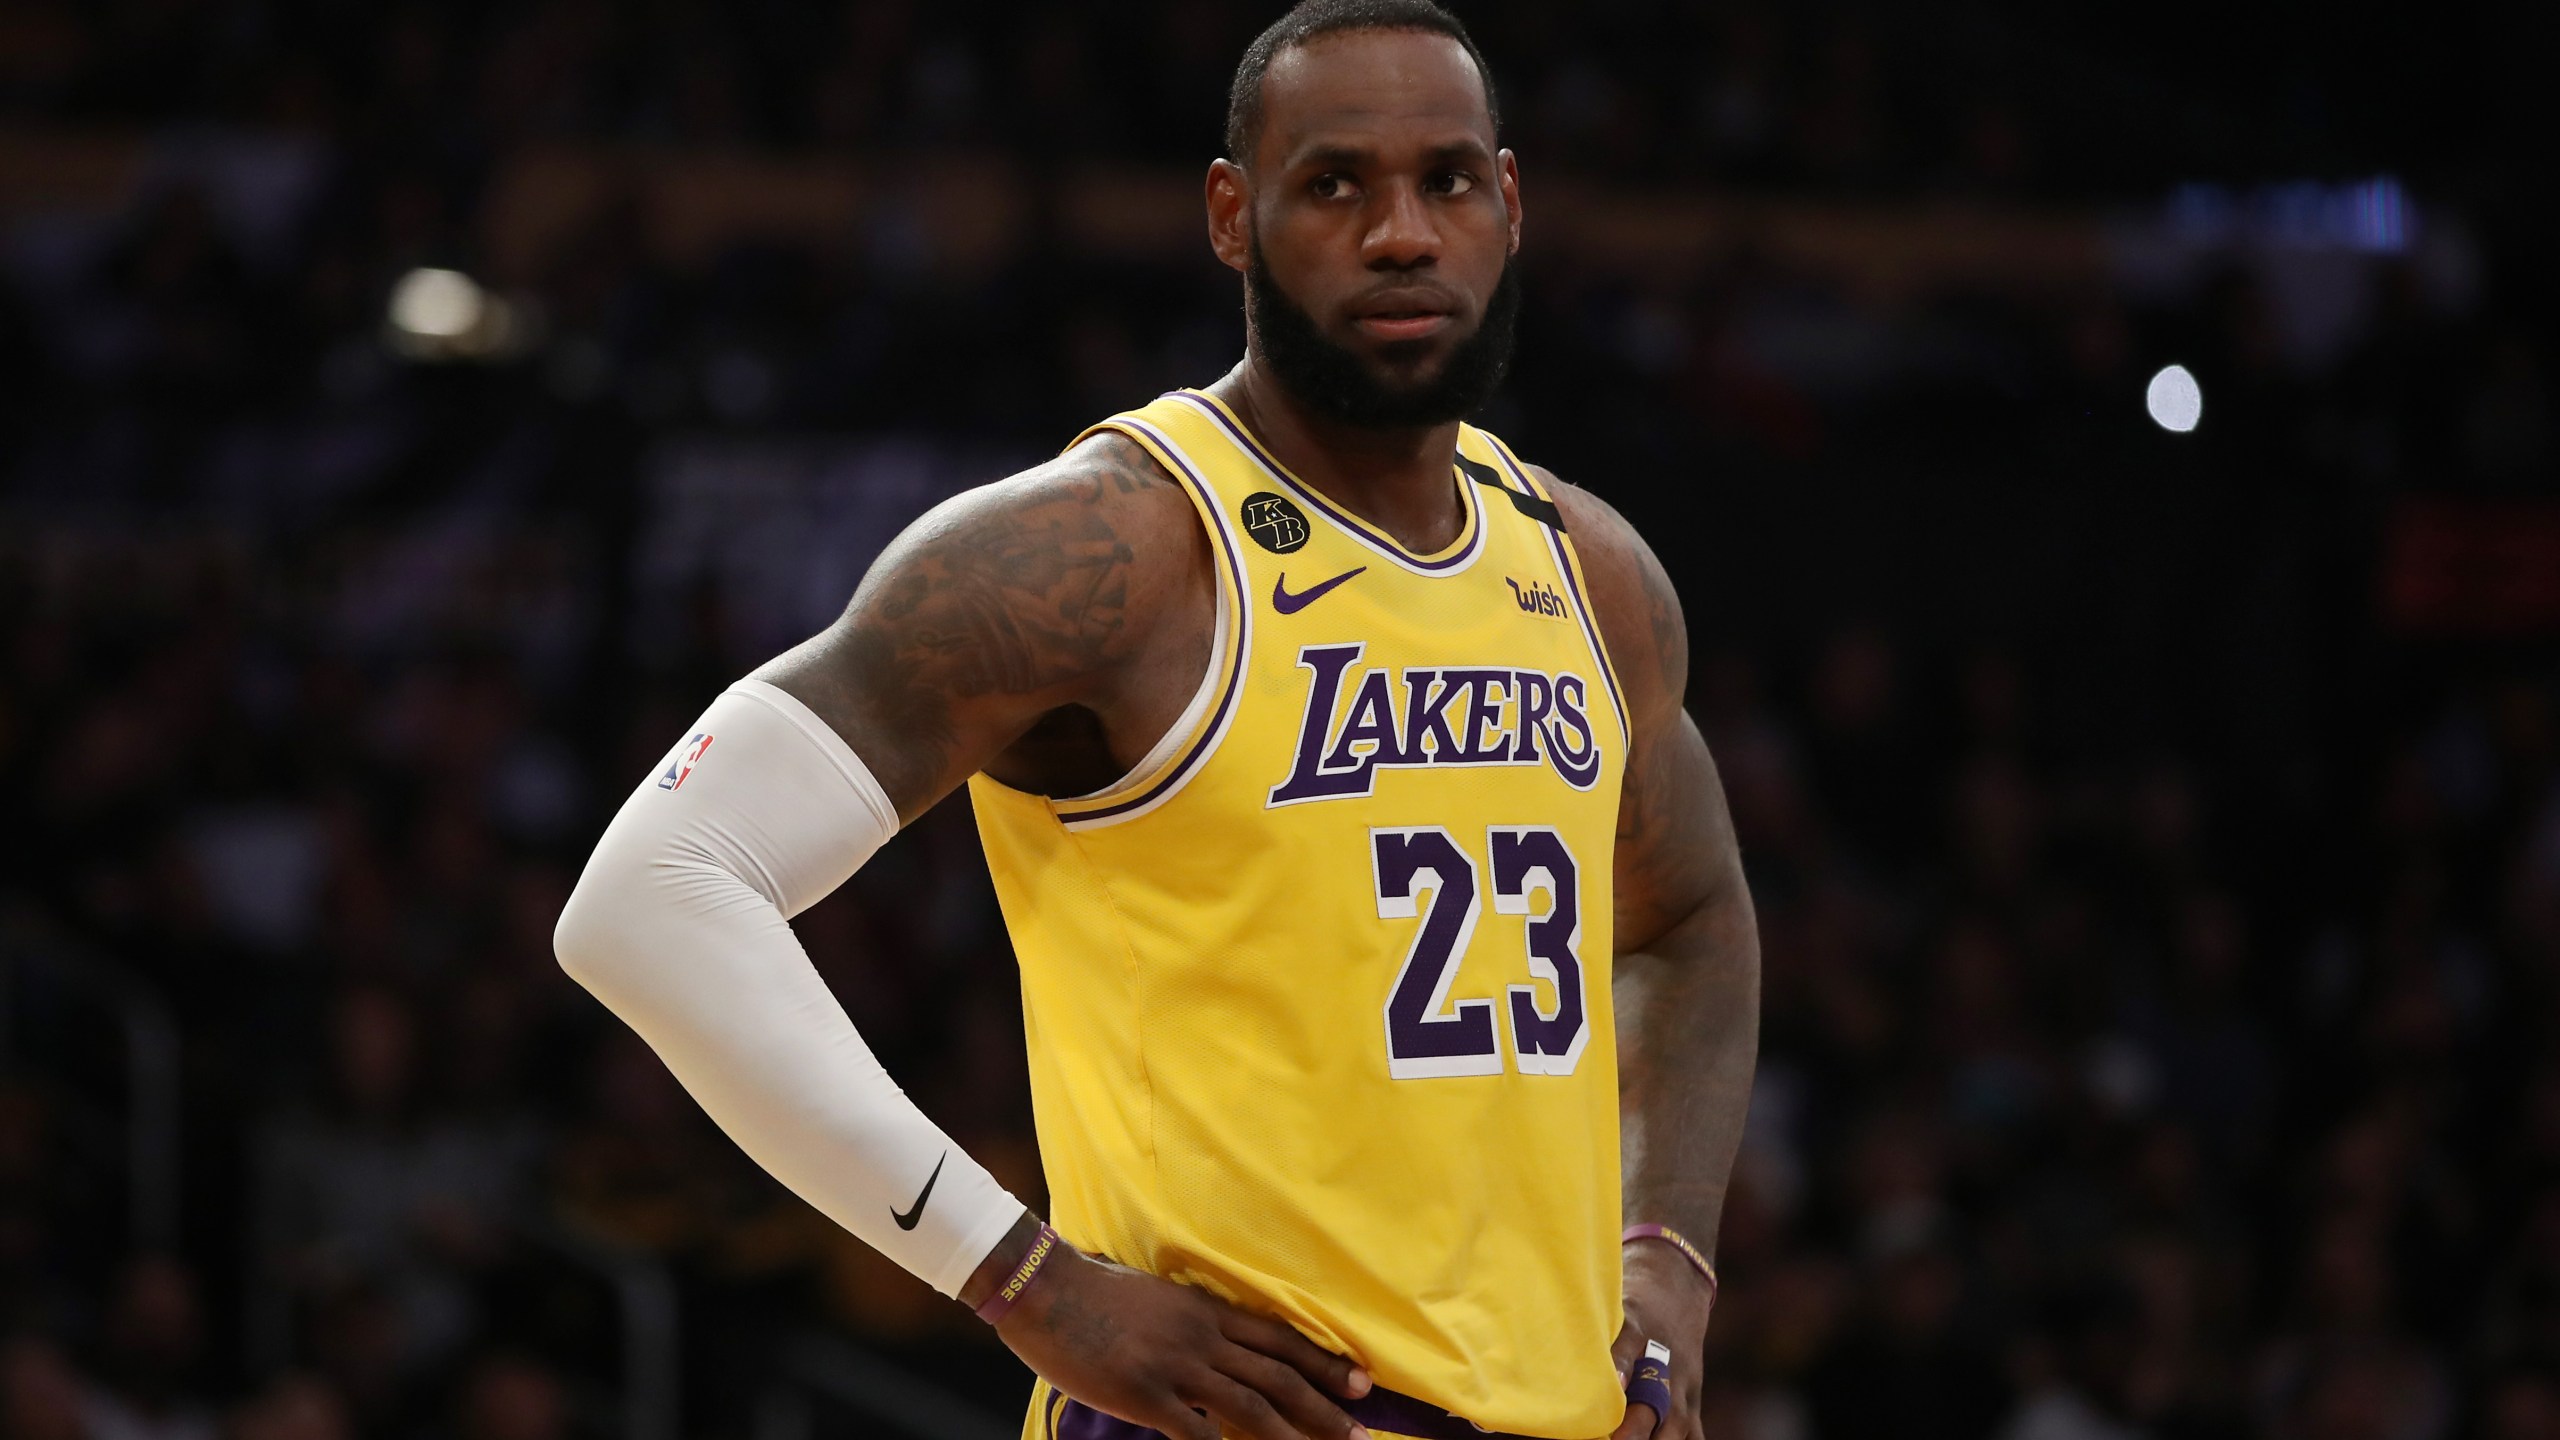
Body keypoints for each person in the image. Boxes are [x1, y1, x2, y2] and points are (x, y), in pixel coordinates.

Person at [553, 3, 1760, 1437]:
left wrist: (1669, 1269)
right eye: (1334, 185)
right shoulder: (1111, 551)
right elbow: (651, 893)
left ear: (1510, 205)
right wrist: (1019, 1278)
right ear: (1231, 216)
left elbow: (1692, 919)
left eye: (1445, 181)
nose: (1401, 234)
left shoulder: (1591, 570)